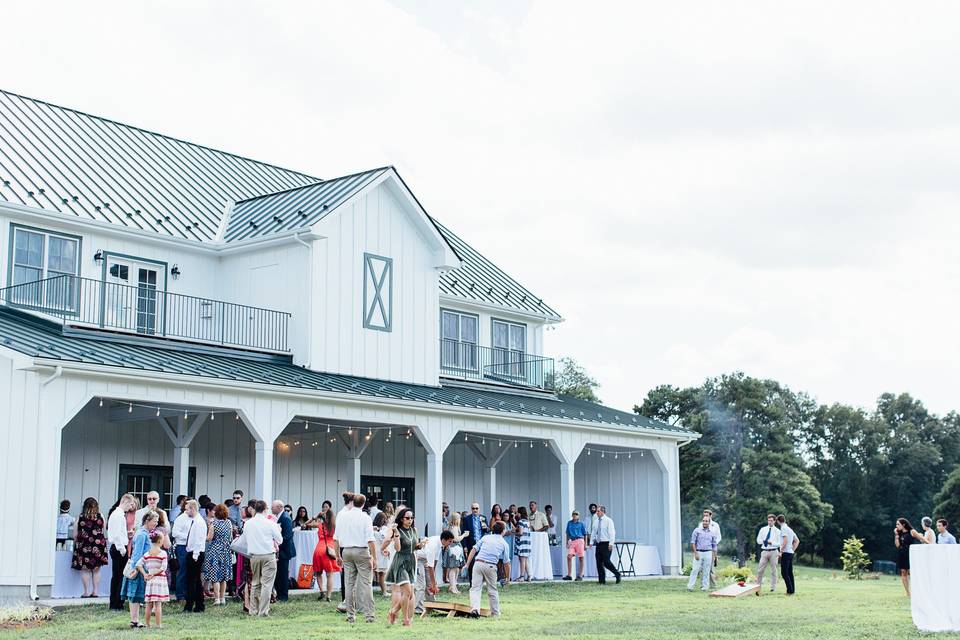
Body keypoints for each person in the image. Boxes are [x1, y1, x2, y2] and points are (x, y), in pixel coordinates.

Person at [334, 493, 377, 623]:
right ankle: (369, 615)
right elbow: (370, 539)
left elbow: (335, 539)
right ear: (363, 504)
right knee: (366, 584)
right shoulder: (365, 517)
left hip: (346, 551)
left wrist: (337, 555)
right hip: (362, 551)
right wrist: (374, 557)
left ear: (353, 502)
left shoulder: (343, 516)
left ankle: (350, 615)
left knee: (349, 584)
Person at [244, 499, 283, 616]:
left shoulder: (248, 523)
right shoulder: (270, 523)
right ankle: (263, 611)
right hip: (268, 555)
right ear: (265, 509)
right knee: (267, 584)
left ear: (255, 509)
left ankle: (253, 610)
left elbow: (246, 539)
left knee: (255, 583)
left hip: (254, 556)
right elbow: (280, 540)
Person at [466, 521, 512, 618]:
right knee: (492, 590)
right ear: (503, 531)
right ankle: (495, 613)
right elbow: (507, 563)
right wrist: (507, 578)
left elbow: (474, 549)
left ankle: (475, 610)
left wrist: (467, 564)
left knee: (475, 589)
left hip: (478, 563)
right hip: (491, 566)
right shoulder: (504, 543)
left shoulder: (485, 537)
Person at [384, 507, 418, 626]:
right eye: (407, 518)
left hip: (411, 561)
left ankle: (393, 611)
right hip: (400, 562)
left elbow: (414, 546)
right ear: (402, 519)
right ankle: (406, 620)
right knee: (407, 591)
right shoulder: (397, 530)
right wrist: (397, 535)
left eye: (412, 518)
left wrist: (420, 545)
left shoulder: (414, 530)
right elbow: (397, 549)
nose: (410, 520)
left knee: (408, 593)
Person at [123, 510, 157, 628]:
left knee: (136, 596)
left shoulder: (144, 532)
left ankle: (135, 620)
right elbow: (137, 553)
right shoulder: (142, 534)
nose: (155, 524)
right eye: (154, 521)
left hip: (140, 567)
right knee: (134, 595)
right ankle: (134, 620)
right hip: (138, 568)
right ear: (147, 521)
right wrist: (136, 570)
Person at [71, 497, 108, 597]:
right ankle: (95, 591)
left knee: (85, 569)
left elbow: (74, 534)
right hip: (98, 545)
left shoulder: (80, 517)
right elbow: (104, 531)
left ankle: (86, 591)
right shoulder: (101, 516)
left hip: (84, 545)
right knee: (96, 569)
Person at [107, 493, 137, 611]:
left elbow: (119, 532)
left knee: (117, 577)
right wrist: (122, 549)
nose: (131, 507)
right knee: (119, 577)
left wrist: (127, 535)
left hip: (119, 546)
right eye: (130, 504)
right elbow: (116, 535)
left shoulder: (118, 514)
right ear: (125, 502)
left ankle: (116, 602)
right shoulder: (118, 515)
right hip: (119, 548)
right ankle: (116, 603)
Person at [414, 530, 454, 615]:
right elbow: (430, 567)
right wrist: (434, 585)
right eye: (450, 541)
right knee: (421, 585)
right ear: (444, 540)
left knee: (429, 584)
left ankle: (432, 606)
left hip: (427, 561)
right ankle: (418, 609)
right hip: (418, 559)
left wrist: (433, 582)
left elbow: (434, 563)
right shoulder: (434, 545)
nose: (450, 544)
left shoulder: (440, 545)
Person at [137, 528, 169, 628]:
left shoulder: (147, 554)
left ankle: (147, 623)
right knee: (158, 604)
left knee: (149, 604)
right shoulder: (163, 553)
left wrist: (145, 574)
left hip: (150, 581)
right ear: (159, 541)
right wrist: (154, 574)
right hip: (159, 580)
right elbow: (163, 567)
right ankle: (158, 624)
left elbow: (139, 564)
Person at [202, 503, 232, 605]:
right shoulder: (229, 523)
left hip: (215, 550)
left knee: (215, 576)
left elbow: (209, 538)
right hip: (226, 550)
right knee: (223, 576)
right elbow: (230, 537)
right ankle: (223, 598)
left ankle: (217, 599)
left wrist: (202, 537)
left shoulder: (213, 524)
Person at [181, 499, 208, 613]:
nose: (186, 511)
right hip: (193, 552)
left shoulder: (199, 522)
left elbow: (199, 539)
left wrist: (195, 555)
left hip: (195, 553)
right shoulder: (196, 521)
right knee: (195, 581)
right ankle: (198, 605)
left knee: (192, 581)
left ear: (192, 508)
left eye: (187, 509)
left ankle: (191, 604)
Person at [311, 500, 340, 602]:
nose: (324, 508)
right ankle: (328, 596)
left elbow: (306, 524)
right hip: (329, 549)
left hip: (319, 549)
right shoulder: (334, 525)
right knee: (330, 574)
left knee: (318, 572)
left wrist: (315, 517)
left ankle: (322, 592)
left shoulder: (320, 524)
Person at [169, 496, 195, 604]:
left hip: (193, 547)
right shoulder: (180, 519)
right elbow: (174, 533)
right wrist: (188, 536)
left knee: (191, 572)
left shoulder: (195, 518)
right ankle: (180, 595)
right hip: (182, 547)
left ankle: (189, 594)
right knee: (182, 571)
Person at [335, 492, 355, 613]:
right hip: (346, 545)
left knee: (347, 575)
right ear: (351, 502)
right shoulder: (345, 514)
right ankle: (346, 601)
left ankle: (347, 600)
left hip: (344, 546)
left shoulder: (341, 513)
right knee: (348, 576)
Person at [271, 499, 295, 601]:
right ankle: (279, 593)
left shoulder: (285, 518)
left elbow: (287, 535)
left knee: (283, 573)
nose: (271, 508)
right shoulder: (277, 517)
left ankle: (283, 596)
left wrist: (276, 544)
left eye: (273, 507)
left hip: (284, 551)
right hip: (279, 550)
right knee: (278, 573)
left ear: (279, 507)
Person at [687, 514, 717, 592]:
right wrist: (695, 553)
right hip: (699, 552)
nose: (704, 522)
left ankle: (705, 587)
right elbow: (693, 542)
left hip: (708, 553)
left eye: (706, 521)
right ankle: (690, 587)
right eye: (703, 521)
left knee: (706, 571)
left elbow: (714, 545)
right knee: (695, 569)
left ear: (709, 523)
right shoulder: (697, 530)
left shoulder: (712, 532)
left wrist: (714, 556)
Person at [592, 505, 621, 584]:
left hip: (606, 543)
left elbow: (612, 533)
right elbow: (594, 532)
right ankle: (601, 580)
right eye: (596, 511)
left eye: (598, 511)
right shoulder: (596, 521)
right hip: (598, 543)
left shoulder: (608, 520)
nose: (596, 512)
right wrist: (591, 542)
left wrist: (611, 544)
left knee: (606, 562)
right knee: (599, 562)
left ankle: (617, 574)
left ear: (603, 512)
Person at [755, 514, 781, 592]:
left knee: (774, 570)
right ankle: (758, 587)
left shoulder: (778, 531)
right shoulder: (763, 529)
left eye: (771, 521)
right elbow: (758, 540)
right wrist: (763, 541)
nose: (769, 522)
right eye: (768, 520)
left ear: (775, 521)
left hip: (774, 551)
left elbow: (779, 543)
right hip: (765, 551)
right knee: (760, 570)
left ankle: (773, 588)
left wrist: (771, 543)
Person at [443, 511, 467, 592]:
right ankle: (453, 587)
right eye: (459, 518)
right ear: (457, 519)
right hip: (454, 549)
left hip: (453, 549)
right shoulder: (454, 528)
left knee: (456, 568)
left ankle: (453, 586)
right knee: (453, 569)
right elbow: (456, 539)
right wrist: (464, 535)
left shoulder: (450, 526)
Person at [778, 514, 799, 595]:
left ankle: (789, 591)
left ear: (778, 521)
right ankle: (792, 590)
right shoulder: (790, 529)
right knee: (790, 572)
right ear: (784, 520)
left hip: (786, 553)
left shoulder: (783, 528)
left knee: (784, 573)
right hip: (790, 553)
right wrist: (792, 549)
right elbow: (797, 540)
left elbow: (785, 540)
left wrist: (781, 551)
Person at [563, 510, 587, 581]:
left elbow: (585, 534)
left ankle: (580, 575)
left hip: (580, 540)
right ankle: (569, 575)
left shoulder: (581, 523)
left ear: (578, 516)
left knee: (581, 557)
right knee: (569, 556)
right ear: (572, 515)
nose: (575, 515)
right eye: (574, 514)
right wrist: (567, 542)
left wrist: (585, 544)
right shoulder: (569, 523)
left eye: (576, 514)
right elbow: (567, 533)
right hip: (572, 541)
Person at [372, 512, 392, 598]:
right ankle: (384, 591)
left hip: (375, 553)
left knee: (378, 573)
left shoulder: (373, 530)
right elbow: (384, 539)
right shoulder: (384, 529)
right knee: (382, 574)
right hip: (382, 553)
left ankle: (383, 590)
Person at [894, 517, 915, 596]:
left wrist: (929, 543)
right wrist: (896, 535)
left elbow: (920, 538)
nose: (896, 526)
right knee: (903, 572)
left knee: (911, 572)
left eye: (898, 524)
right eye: (896, 524)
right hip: (902, 554)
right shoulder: (899, 534)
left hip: (910, 554)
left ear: (903, 524)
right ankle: (908, 592)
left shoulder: (911, 531)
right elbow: (898, 545)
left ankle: (915, 590)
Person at [703, 509, 722, 588]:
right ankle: (704, 584)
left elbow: (719, 537)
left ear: (711, 516)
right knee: (703, 567)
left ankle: (713, 585)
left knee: (710, 567)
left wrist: (714, 544)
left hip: (712, 548)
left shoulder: (715, 525)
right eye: (704, 515)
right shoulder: (701, 524)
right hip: (703, 548)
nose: (705, 517)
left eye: (707, 515)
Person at [514, 506, 532, 581]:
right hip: (527, 543)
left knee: (522, 560)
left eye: (517, 512)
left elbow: (521, 533)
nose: (517, 513)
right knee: (526, 560)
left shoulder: (521, 521)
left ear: (520, 513)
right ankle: (529, 575)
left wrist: (514, 533)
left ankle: (522, 576)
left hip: (522, 543)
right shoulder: (528, 522)